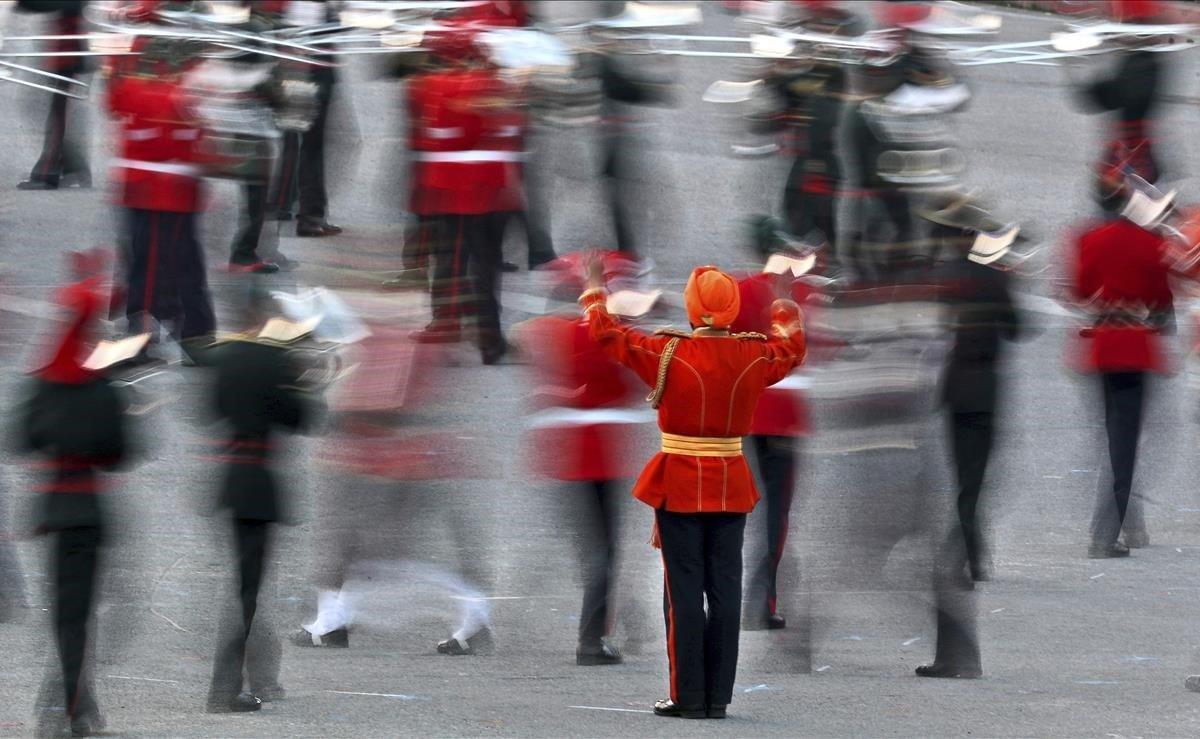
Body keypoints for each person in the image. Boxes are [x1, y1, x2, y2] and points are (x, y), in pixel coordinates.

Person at [580, 262, 806, 719]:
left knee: (682, 590)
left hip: (680, 480)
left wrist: (594, 291)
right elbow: (792, 349)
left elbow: (609, 336)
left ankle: (688, 695)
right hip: (729, 481)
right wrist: (783, 302)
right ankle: (718, 697)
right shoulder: (752, 355)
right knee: (725, 589)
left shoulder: (666, 352)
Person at [17, 256, 131, 737]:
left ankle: (76, 707)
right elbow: (119, 454)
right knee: (77, 619)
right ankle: (68, 707)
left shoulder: (45, 384)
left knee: (65, 614)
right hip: (87, 512)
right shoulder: (102, 388)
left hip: (52, 511)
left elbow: (21, 439)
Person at [520, 252, 650, 665]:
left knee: (590, 549)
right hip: (601, 455)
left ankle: (624, 620)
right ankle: (591, 640)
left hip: (564, 454)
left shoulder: (548, 333)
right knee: (603, 552)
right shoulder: (608, 334)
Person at [204, 293, 318, 713]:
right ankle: (226, 686)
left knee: (244, 587)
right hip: (259, 483)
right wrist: (302, 375)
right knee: (246, 592)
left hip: (230, 479)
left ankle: (260, 678)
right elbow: (301, 418)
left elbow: (210, 410)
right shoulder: (275, 361)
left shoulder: (224, 356)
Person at [1067, 176, 1175, 559]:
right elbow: (1162, 298)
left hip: (1099, 349)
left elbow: (1078, 290)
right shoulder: (1151, 243)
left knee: (1113, 438)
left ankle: (1132, 523)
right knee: (1125, 446)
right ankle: (1105, 533)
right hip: (1134, 350)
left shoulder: (1086, 238)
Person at [407, 29, 525, 364]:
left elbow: (434, 136)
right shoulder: (502, 86)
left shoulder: (433, 86)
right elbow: (513, 132)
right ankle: (491, 339)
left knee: (450, 259)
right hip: (494, 187)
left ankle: (448, 319)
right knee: (487, 267)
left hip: (450, 189)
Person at [106, 30, 216, 358]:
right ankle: (192, 336)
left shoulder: (163, 42)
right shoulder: (148, 37)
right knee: (168, 264)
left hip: (161, 184)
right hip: (157, 183)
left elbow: (127, 101)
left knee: (154, 267)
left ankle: (149, 338)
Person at [15, 0, 92, 191]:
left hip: (70, 54)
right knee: (55, 112)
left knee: (58, 117)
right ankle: (73, 167)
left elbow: (63, 4)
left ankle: (48, 172)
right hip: (61, 51)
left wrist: (28, 4)